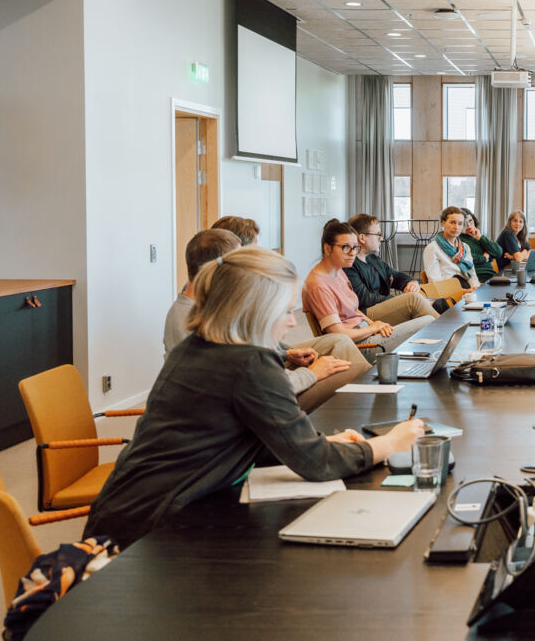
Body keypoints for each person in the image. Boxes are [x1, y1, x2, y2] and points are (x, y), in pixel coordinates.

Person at [86, 246, 426, 549]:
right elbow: (316, 463)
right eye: (285, 312)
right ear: (256, 312)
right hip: (150, 535)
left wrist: (319, 441)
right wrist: (391, 444)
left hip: (125, 513)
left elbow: (239, 438)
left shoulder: (197, 348)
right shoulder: (249, 363)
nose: (293, 323)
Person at [163, 228, 367, 413]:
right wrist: (311, 374)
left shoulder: (208, 311)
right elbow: (254, 383)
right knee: (352, 372)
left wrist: (286, 355)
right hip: (256, 405)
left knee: (346, 365)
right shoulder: (196, 321)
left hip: (264, 388)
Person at [304, 220, 435, 352]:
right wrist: (373, 328)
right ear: (327, 249)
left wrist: (375, 324)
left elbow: (355, 310)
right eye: (346, 247)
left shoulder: (338, 271)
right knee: (428, 321)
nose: (352, 253)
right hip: (358, 346)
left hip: (365, 330)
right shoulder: (318, 285)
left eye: (355, 247)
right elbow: (339, 334)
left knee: (427, 320)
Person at [345, 214, 443, 319]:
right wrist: (399, 300)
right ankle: (446, 329)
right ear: (362, 238)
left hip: (383, 306)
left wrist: (410, 282)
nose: (381, 238)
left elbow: (395, 275)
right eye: (378, 234)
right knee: (413, 300)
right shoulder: (349, 265)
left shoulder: (373, 259)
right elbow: (365, 299)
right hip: (366, 314)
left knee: (439, 304)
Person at [423, 206, 480, 290]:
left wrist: (475, 288)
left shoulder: (465, 247)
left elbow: (472, 275)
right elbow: (435, 283)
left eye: (460, 224)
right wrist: (463, 292)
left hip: (468, 291)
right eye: (452, 222)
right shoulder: (432, 248)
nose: (456, 227)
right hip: (448, 294)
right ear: (443, 223)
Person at [458, 208, 505, 281]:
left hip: (491, 275)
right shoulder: (458, 239)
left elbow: (498, 252)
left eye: (470, 221)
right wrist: (485, 258)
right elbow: (468, 258)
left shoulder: (478, 236)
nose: (469, 225)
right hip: (477, 277)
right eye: (464, 223)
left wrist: (480, 238)